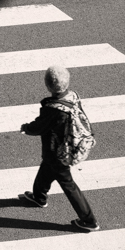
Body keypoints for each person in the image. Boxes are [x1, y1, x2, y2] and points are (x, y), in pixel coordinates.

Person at [18, 64, 100, 232]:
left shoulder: (53, 109)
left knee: (67, 183)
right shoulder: (73, 96)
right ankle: (39, 197)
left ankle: (89, 220)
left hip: (59, 152)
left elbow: (40, 126)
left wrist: (26, 128)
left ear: (48, 86)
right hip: (64, 147)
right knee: (46, 169)